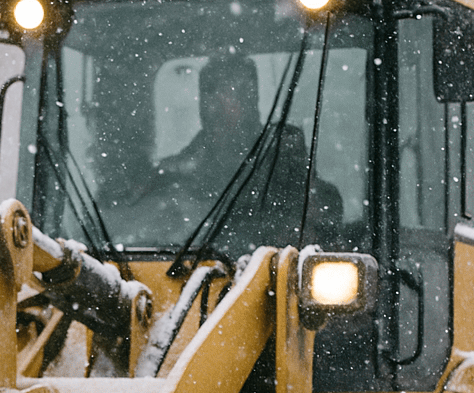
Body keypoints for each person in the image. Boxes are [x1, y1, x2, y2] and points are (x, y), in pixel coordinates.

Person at [126, 52, 343, 250]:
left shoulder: (283, 160)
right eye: (209, 91)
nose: (215, 103)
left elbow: (316, 215)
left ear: (251, 98)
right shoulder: (173, 174)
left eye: (229, 91)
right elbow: (133, 225)